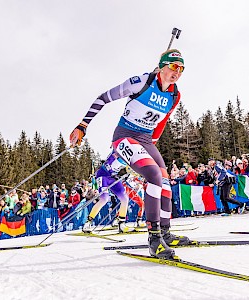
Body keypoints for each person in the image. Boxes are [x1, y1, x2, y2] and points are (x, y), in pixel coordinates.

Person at [70, 49, 190, 259]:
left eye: (181, 69)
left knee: (165, 182)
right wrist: (82, 125)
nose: (177, 72)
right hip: (125, 136)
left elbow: (162, 121)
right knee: (153, 175)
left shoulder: (174, 94)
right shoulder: (140, 82)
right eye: (173, 66)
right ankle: (154, 240)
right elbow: (103, 98)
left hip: (145, 139)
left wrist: (152, 142)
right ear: (162, 66)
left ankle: (165, 232)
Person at [82, 150, 133, 233]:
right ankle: (88, 222)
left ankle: (121, 223)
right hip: (103, 176)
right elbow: (109, 162)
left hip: (113, 178)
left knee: (125, 199)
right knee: (104, 199)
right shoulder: (119, 150)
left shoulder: (132, 156)